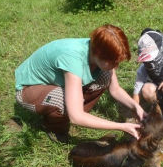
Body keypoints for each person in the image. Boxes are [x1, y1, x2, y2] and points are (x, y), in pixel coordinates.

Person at [15, 24, 145, 143]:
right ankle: (54, 128)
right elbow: (76, 117)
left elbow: (115, 89)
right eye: (113, 62)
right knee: (61, 100)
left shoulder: (98, 49)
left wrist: (136, 107)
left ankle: (73, 112)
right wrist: (121, 127)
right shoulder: (73, 60)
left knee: (106, 76)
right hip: (28, 90)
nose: (115, 67)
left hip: (56, 84)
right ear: (98, 54)